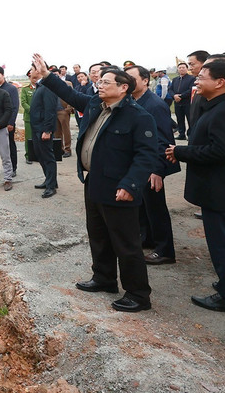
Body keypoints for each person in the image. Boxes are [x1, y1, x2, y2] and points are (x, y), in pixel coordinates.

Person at [35, 54, 158, 313]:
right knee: (99, 235)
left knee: (126, 243)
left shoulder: (138, 116)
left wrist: (130, 185)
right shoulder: (94, 105)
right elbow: (68, 95)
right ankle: (104, 278)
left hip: (120, 189)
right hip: (94, 182)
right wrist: (47, 75)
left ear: (123, 87)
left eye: (106, 82)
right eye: (99, 81)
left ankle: (138, 294)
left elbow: (146, 155)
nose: (99, 85)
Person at [166, 58, 225, 315]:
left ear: (220, 82)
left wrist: (182, 152)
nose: (197, 80)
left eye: (202, 76)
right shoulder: (218, 105)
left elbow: (220, 151)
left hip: (221, 189)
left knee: (224, 244)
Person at [125, 65, 180, 265]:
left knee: (156, 208)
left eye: (132, 78)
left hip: (152, 166)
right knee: (143, 206)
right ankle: (147, 238)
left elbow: (163, 140)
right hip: (140, 164)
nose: (128, 82)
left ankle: (165, 250)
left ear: (146, 80)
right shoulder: (134, 101)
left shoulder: (155, 105)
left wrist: (158, 170)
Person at [28, 64, 59, 198]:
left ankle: (51, 186)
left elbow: (50, 110)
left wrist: (47, 130)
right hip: (36, 128)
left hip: (43, 129)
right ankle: (49, 180)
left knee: (48, 157)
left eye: (33, 69)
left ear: (40, 70)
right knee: (40, 156)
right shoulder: (39, 85)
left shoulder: (48, 86)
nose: (30, 71)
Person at [0, 67, 20, 174]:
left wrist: (11, 122)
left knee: (9, 146)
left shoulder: (10, 89)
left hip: (7, 123)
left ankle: (13, 168)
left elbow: (15, 107)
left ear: (3, 75)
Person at [168, 63, 195, 139]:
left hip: (187, 102)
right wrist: (174, 96)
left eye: (183, 67)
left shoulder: (192, 78)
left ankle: (190, 135)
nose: (181, 69)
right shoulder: (175, 79)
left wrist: (180, 96)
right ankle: (181, 134)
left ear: (187, 69)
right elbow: (170, 89)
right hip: (177, 102)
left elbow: (191, 90)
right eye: (180, 68)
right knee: (179, 119)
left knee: (190, 119)